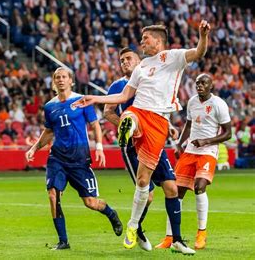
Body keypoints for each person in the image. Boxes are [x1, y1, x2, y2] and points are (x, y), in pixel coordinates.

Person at [73, 20, 211, 254]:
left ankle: (142, 228)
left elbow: (199, 52)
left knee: (148, 183)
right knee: (130, 114)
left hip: (158, 121)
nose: (141, 42)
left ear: (157, 40)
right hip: (139, 112)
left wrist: (203, 35)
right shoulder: (142, 67)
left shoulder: (173, 57)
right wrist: (95, 98)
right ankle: (130, 127)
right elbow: (125, 95)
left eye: (145, 39)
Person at [26, 67, 123, 250]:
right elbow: (49, 131)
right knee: (53, 195)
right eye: (57, 77)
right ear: (54, 82)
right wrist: (34, 148)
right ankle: (63, 241)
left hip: (79, 159)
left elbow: (95, 126)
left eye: (64, 77)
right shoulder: (49, 107)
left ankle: (111, 214)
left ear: (71, 80)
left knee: (91, 203)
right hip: (58, 158)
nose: (61, 80)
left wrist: (99, 148)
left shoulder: (82, 101)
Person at [103, 47, 179, 251]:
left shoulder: (149, 81)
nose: (124, 62)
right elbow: (107, 111)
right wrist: (126, 126)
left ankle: (176, 239)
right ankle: (137, 228)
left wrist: (169, 126)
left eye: (128, 58)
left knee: (172, 187)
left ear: (139, 62)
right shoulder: (118, 86)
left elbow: (157, 109)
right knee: (149, 193)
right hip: (132, 146)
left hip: (154, 139)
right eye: (121, 60)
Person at [157, 74, 231, 250]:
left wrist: (206, 141)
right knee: (175, 191)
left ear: (211, 86)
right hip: (190, 150)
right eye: (198, 83)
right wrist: (179, 144)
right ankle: (170, 237)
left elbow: (228, 133)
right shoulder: (191, 102)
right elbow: (188, 126)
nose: (200, 85)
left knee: (199, 186)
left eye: (204, 83)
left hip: (208, 151)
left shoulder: (218, 104)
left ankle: (201, 233)